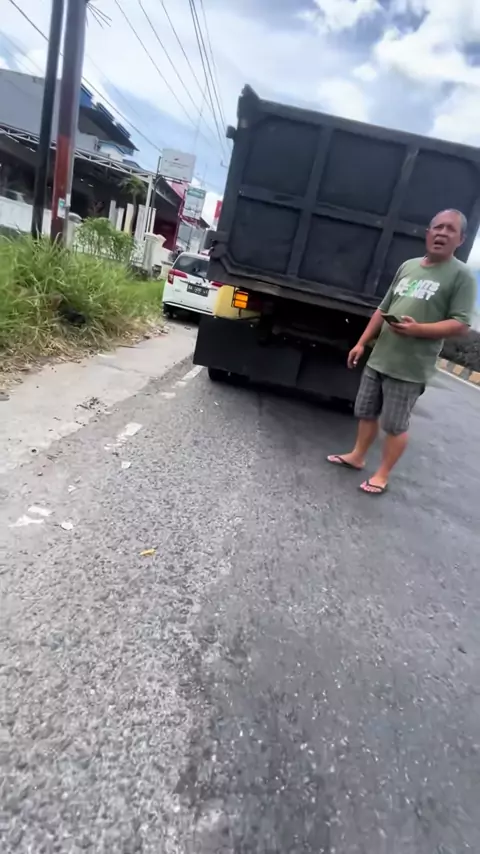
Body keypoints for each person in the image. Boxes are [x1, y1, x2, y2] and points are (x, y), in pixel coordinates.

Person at [328, 209, 477, 495]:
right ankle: (357, 456)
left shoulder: (461, 276)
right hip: (380, 357)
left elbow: (460, 324)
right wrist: (361, 342)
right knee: (366, 412)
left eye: (450, 229)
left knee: (395, 425)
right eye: (438, 227)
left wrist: (418, 329)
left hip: (410, 367)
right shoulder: (408, 266)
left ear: (461, 239)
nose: (442, 233)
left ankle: (382, 474)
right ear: (428, 233)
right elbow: (383, 309)